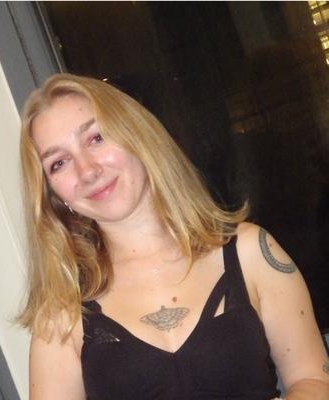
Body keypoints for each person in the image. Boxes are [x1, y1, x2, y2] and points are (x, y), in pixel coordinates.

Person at [18, 73, 329, 400]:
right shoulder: (61, 311)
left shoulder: (250, 251)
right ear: (55, 196)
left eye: (96, 138)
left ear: (137, 134)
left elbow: (313, 379)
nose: (87, 171)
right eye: (59, 163)